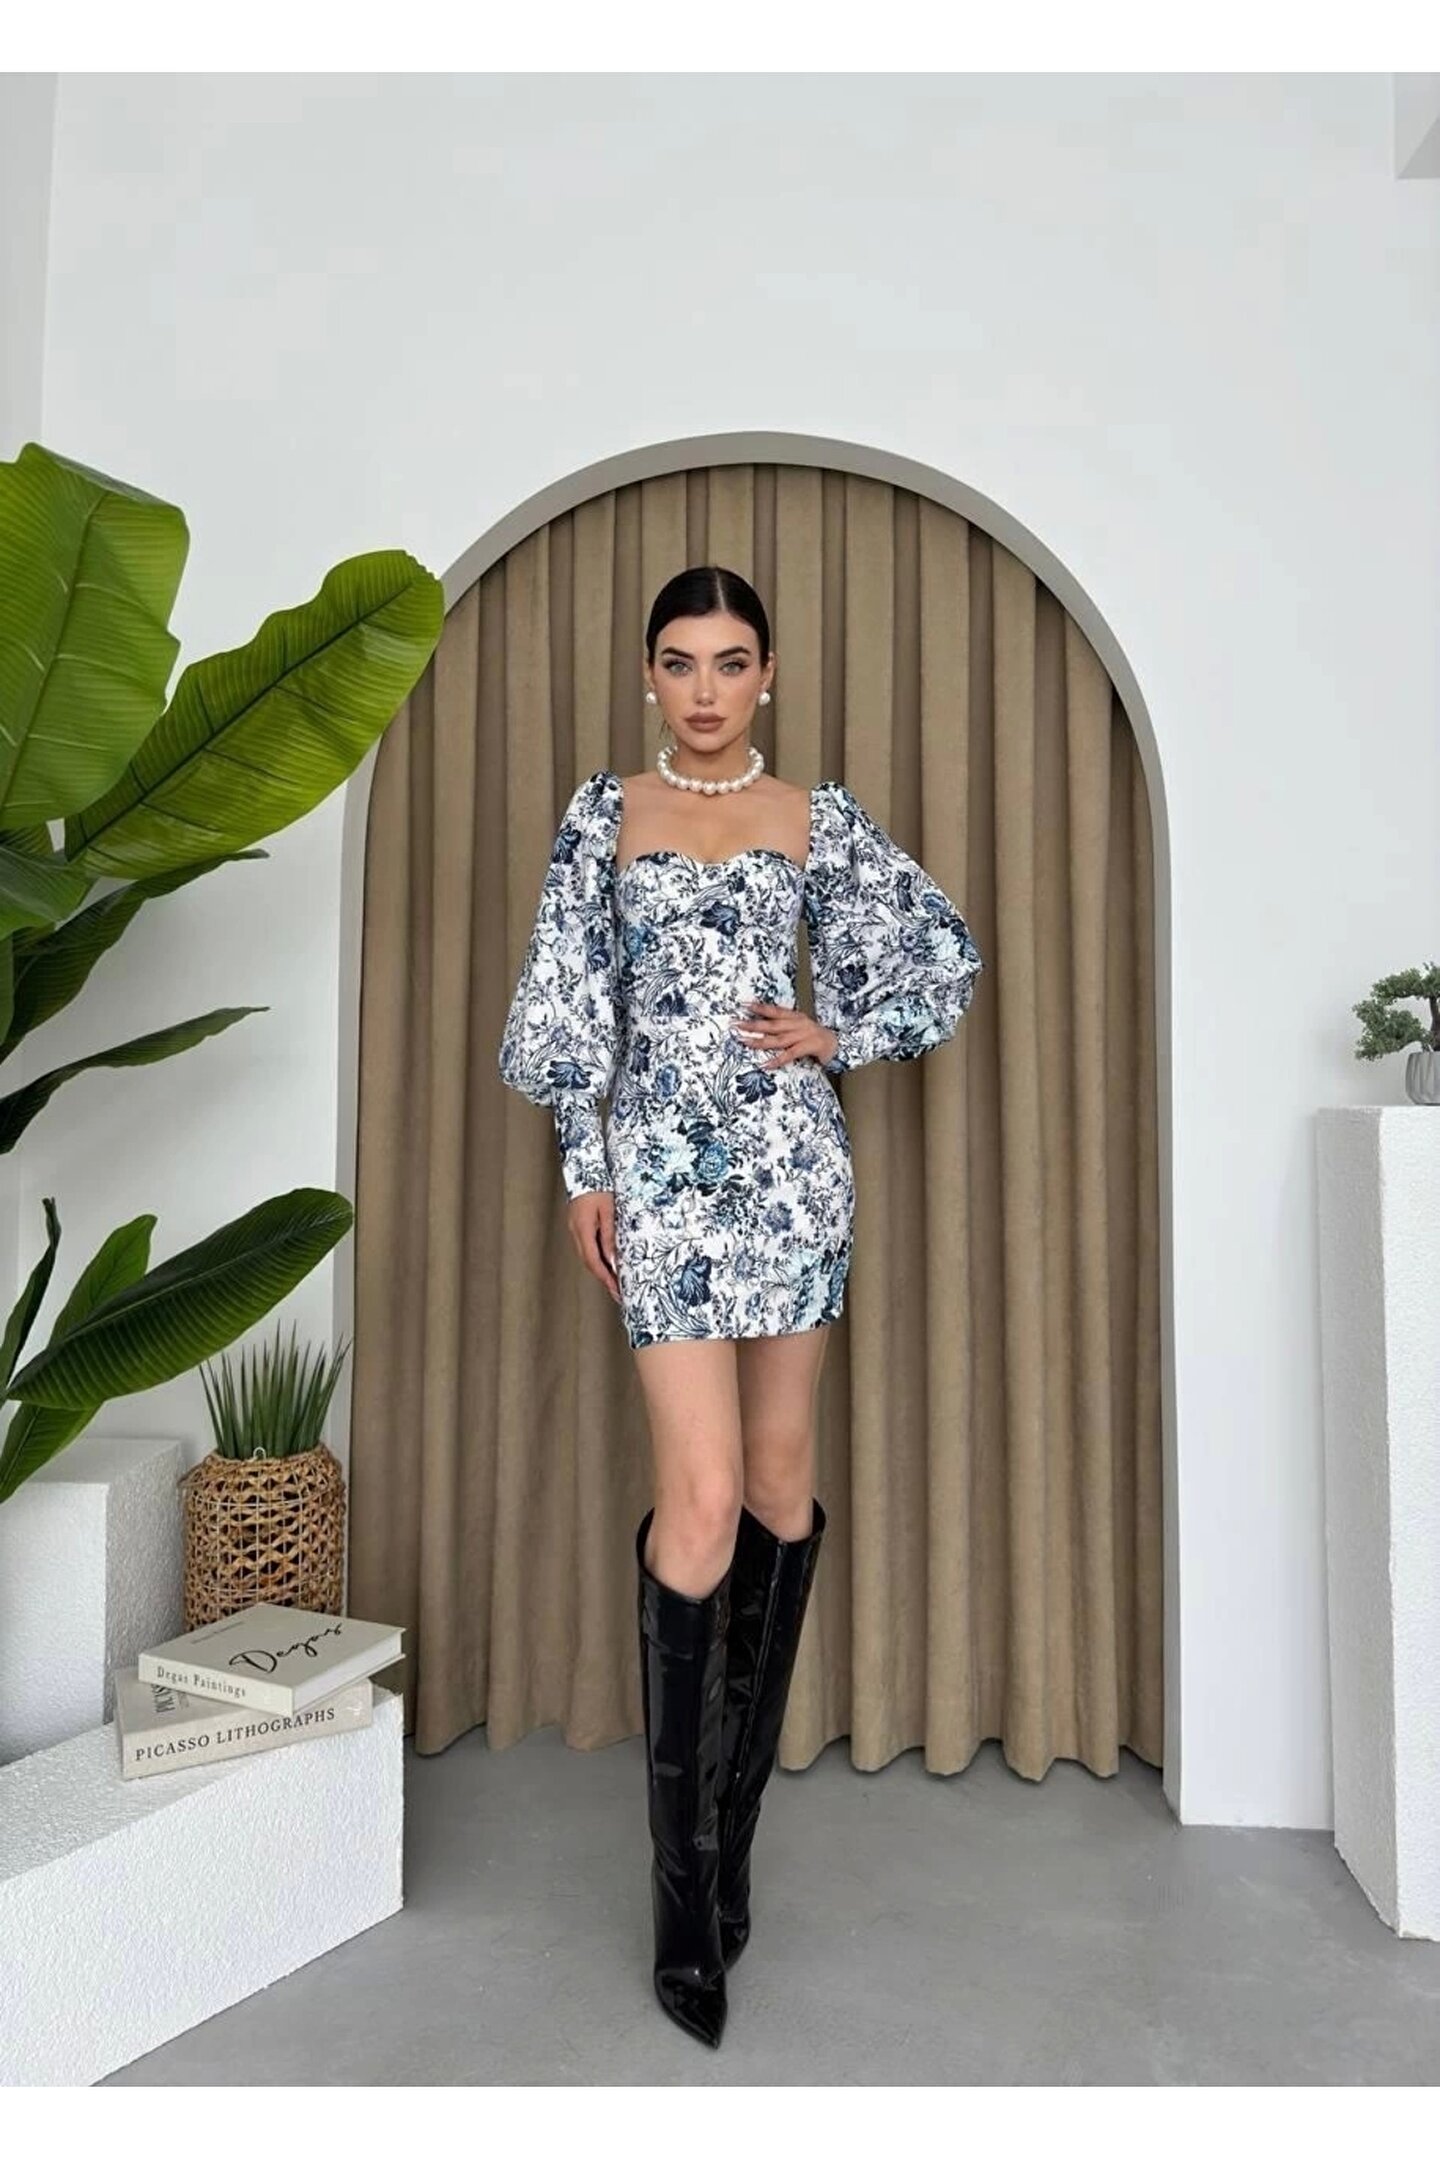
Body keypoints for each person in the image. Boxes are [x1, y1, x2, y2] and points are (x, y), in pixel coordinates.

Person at [497, 564, 984, 2049]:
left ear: (767, 674)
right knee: (699, 1501)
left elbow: (944, 957)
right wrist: (585, 1169)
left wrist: (843, 1034)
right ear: (648, 675)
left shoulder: (814, 817)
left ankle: (731, 1838)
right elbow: (570, 1003)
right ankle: (680, 1892)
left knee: (777, 1487)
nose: (704, 689)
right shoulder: (603, 813)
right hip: (660, 1178)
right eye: (678, 661)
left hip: (791, 1176)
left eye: (729, 662)